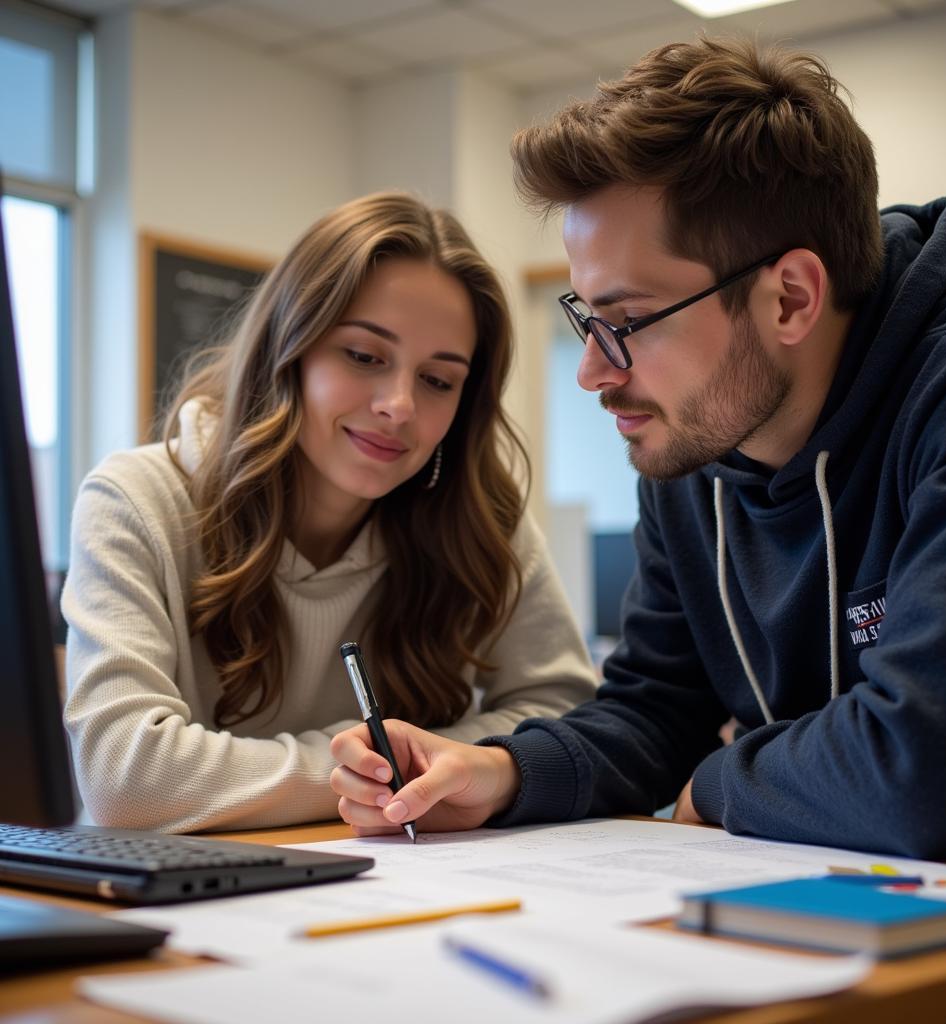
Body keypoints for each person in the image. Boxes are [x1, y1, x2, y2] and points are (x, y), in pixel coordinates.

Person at [330, 38, 946, 861]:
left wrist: (718, 781)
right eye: (588, 321)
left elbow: (927, 766)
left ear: (791, 298)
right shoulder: (694, 444)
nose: (593, 371)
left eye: (625, 323)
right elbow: (658, 709)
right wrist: (500, 771)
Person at [62, 192, 597, 834]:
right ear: (289, 349)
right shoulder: (136, 500)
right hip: (174, 902)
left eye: (438, 380)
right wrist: (378, 772)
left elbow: (565, 717)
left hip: (390, 886)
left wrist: (446, 766)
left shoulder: (482, 518)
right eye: (364, 356)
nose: (399, 404)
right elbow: (127, 780)